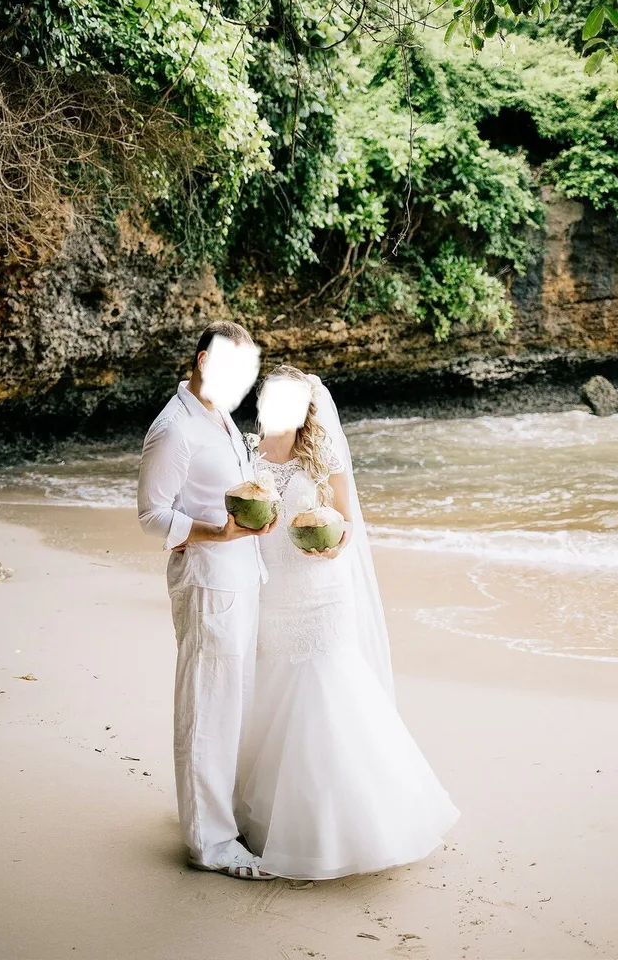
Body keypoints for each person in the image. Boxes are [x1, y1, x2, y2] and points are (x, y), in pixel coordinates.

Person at [237, 365, 459, 880]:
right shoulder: (247, 455)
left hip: (319, 592)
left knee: (327, 699)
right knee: (273, 701)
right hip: (271, 595)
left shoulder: (323, 455)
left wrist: (333, 546)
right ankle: (273, 823)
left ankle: (349, 830)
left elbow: (346, 521)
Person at [137, 321, 278, 880]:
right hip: (206, 581)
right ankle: (209, 843)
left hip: (242, 576)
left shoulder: (218, 416)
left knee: (234, 704)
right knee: (207, 710)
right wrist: (215, 533)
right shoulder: (173, 428)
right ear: (201, 360)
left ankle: (218, 818)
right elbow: (151, 516)